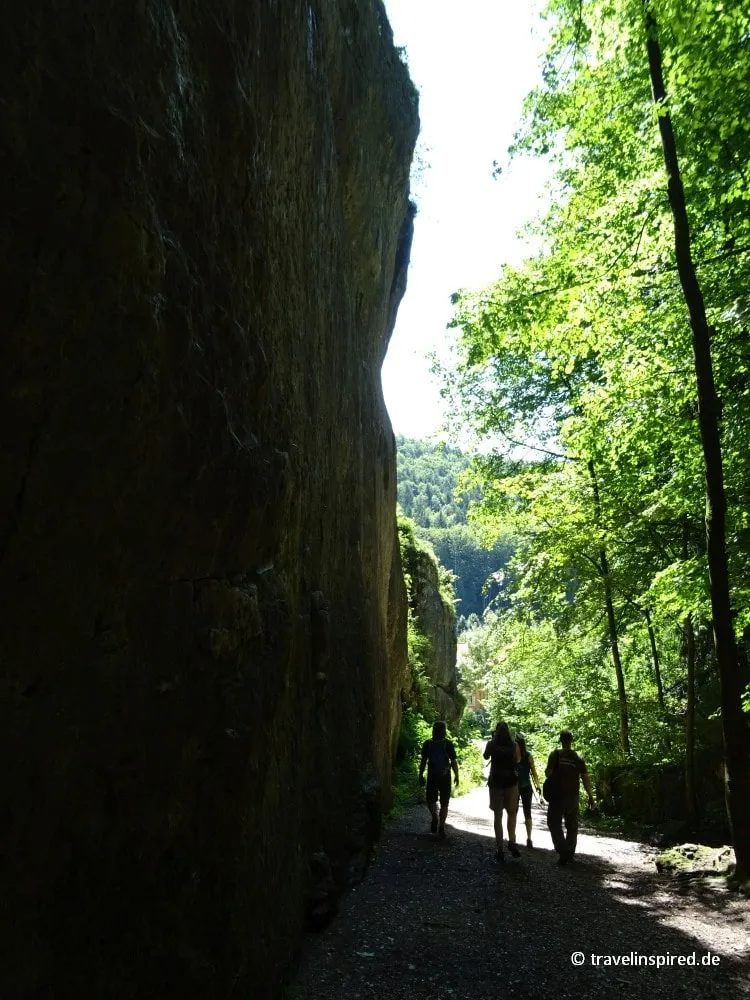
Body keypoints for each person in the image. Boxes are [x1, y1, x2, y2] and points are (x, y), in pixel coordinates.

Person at [545, 729, 595, 865]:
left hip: (557, 797)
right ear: (571, 740)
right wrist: (591, 796)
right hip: (573, 797)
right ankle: (569, 854)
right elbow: (586, 779)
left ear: (561, 740)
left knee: (554, 823)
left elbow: (548, 773)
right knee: (572, 826)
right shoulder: (578, 758)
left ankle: (563, 851)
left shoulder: (555, 754)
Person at [484, 722, 521, 861]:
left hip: (496, 784)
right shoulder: (514, 745)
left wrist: (492, 743)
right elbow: (517, 760)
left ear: (497, 731)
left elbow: (486, 757)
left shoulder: (491, 744)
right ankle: (512, 841)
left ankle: (500, 849)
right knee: (512, 814)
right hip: (511, 784)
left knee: (497, 816)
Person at [419, 720, 459, 838]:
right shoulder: (448, 744)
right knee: (444, 803)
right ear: (444, 731)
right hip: (445, 776)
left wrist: (420, 774)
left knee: (430, 799)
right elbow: (454, 761)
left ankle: (434, 816)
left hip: (432, 775)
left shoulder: (428, 744)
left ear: (433, 731)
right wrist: (457, 775)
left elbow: (423, 761)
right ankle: (441, 827)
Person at [515, 732, 542, 848]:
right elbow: (534, 773)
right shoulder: (529, 756)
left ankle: (513, 837)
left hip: (515, 787)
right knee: (527, 812)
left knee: (513, 812)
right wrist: (538, 786)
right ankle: (529, 838)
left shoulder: (513, 756)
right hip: (526, 787)